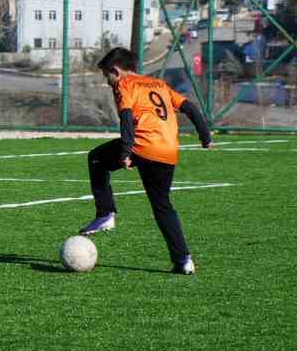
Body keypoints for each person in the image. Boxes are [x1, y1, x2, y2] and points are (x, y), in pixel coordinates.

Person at [79, 46, 213, 275]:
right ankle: (183, 260)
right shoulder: (158, 84)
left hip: (143, 145)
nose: (107, 81)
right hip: (168, 150)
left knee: (96, 159)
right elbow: (189, 107)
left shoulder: (124, 85)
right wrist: (205, 135)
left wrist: (125, 152)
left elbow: (126, 118)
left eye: (107, 76)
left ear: (116, 70)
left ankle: (105, 214)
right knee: (163, 207)